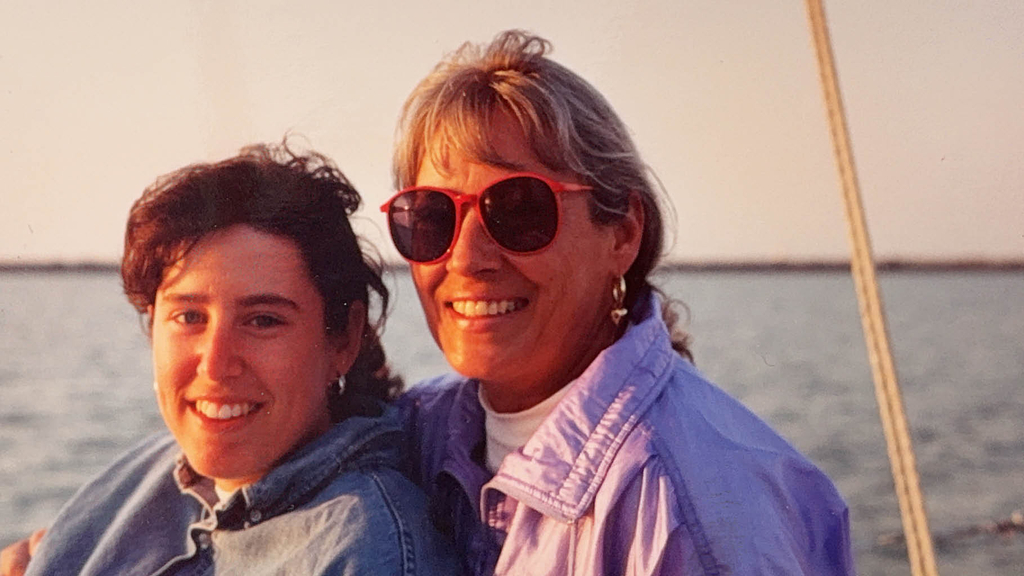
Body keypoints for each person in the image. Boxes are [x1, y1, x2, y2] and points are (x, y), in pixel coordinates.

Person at [385, 30, 854, 574]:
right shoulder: (418, 432)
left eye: (518, 209)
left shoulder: (688, 514)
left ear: (624, 234)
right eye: (431, 216)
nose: (467, 258)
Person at [18, 144, 458, 575]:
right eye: (189, 317)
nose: (214, 364)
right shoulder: (141, 475)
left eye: (263, 320)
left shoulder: (366, 551)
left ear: (342, 340)